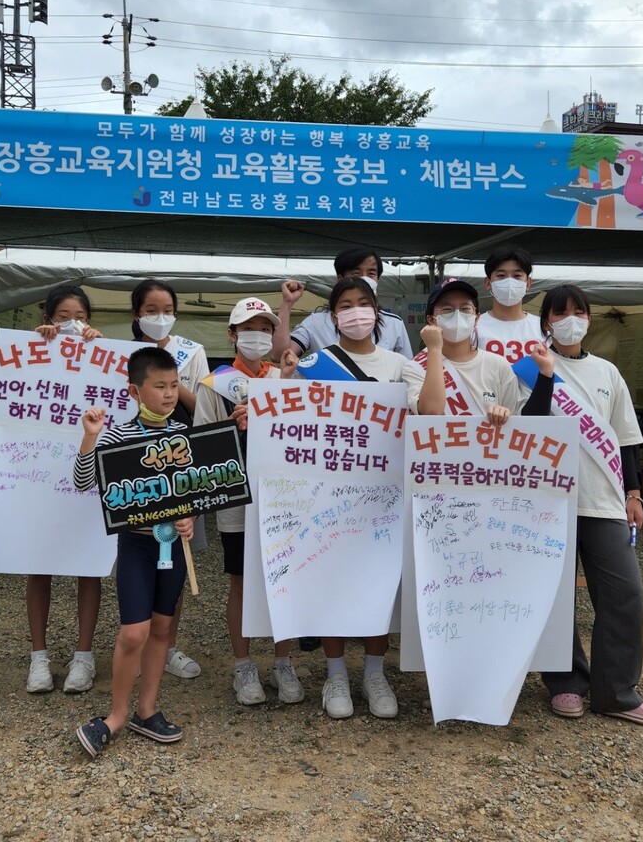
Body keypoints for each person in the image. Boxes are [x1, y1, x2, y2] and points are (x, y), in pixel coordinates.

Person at [280, 277, 445, 720]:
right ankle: (335, 674)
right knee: (331, 579)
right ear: (333, 317)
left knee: (379, 585)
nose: (356, 312)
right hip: (326, 495)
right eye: (346, 305)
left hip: (384, 498)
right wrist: (284, 379)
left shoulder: (398, 364)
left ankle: (375, 673)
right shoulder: (314, 364)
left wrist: (434, 353)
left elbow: (432, 412)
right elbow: (286, 422)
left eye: (363, 303)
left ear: (377, 311)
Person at [522, 284, 643, 728]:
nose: (571, 320)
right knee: (555, 597)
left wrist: (634, 493)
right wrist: (545, 376)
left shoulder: (608, 372)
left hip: (603, 500)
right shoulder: (528, 368)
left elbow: (624, 439)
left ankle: (616, 692)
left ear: (589, 318)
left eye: (579, 312)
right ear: (546, 322)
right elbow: (527, 426)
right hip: (549, 500)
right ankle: (566, 683)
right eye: (560, 313)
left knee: (624, 593)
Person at [74, 347, 196, 756]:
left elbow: (197, 489)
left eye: (174, 385)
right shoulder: (117, 435)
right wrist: (90, 436)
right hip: (136, 544)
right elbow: (83, 481)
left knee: (162, 627)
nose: (169, 393)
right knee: (133, 632)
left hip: (174, 547)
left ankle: (147, 710)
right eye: (159, 386)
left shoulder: (184, 435)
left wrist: (190, 517)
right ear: (134, 391)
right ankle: (116, 715)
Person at [193, 297, 305, 707]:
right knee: (240, 580)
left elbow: (305, 434)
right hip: (237, 499)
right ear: (232, 334)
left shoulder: (285, 376)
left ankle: (282, 661)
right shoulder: (213, 384)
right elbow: (201, 447)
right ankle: (243, 664)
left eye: (265, 328)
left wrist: (289, 383)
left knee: (283, 577)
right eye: (248, 328)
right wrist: (231, 426)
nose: (257, 336)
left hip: (284, 497)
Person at [25, 285, 105, 695]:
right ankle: (38, 657)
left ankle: (83, 655)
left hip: (87, 473)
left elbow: (118, 393)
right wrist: (36, 345)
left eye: (80, 317)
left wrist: (102, 348)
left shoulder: (102, 353)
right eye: (63, 317)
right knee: (38, 564)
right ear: (48, 318)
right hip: (38, 474)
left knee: (88, 566)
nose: (72, 324)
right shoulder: (32, 350)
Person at [130, 279, 209, 680]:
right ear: (136, 314)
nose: (159, 317)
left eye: (167, 310)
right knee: (134, 561)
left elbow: (204, 409)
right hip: (133, 467)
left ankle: (168, 645)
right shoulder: (121, 353)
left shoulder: (192, 352)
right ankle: (134, 641)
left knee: (177, 554)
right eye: (151, 310)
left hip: (180, 463)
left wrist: (175, 386)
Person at [424, 277, 555, 420]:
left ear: (476, 318)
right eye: (447, 309)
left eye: (465, 309)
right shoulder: (417, 366)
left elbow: (519, 419)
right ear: (431, 319)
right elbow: (430, 411)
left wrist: (504, 414)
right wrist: (434, 349)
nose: (457, 315)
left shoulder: (498, 365)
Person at [271, 247, 413, 364]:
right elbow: (280, 355)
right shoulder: (316, 322)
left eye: (371, 273)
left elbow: (407, 371)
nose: (364, 278)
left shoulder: (394, 323)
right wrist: (287, 304)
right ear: (340, 279)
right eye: (356, 273)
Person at [475, 246, 544, 363]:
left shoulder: (543, 328)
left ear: (528, 283)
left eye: (517, 276)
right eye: (501, 275)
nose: (509, 282)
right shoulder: (473, 328)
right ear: (488, 283)